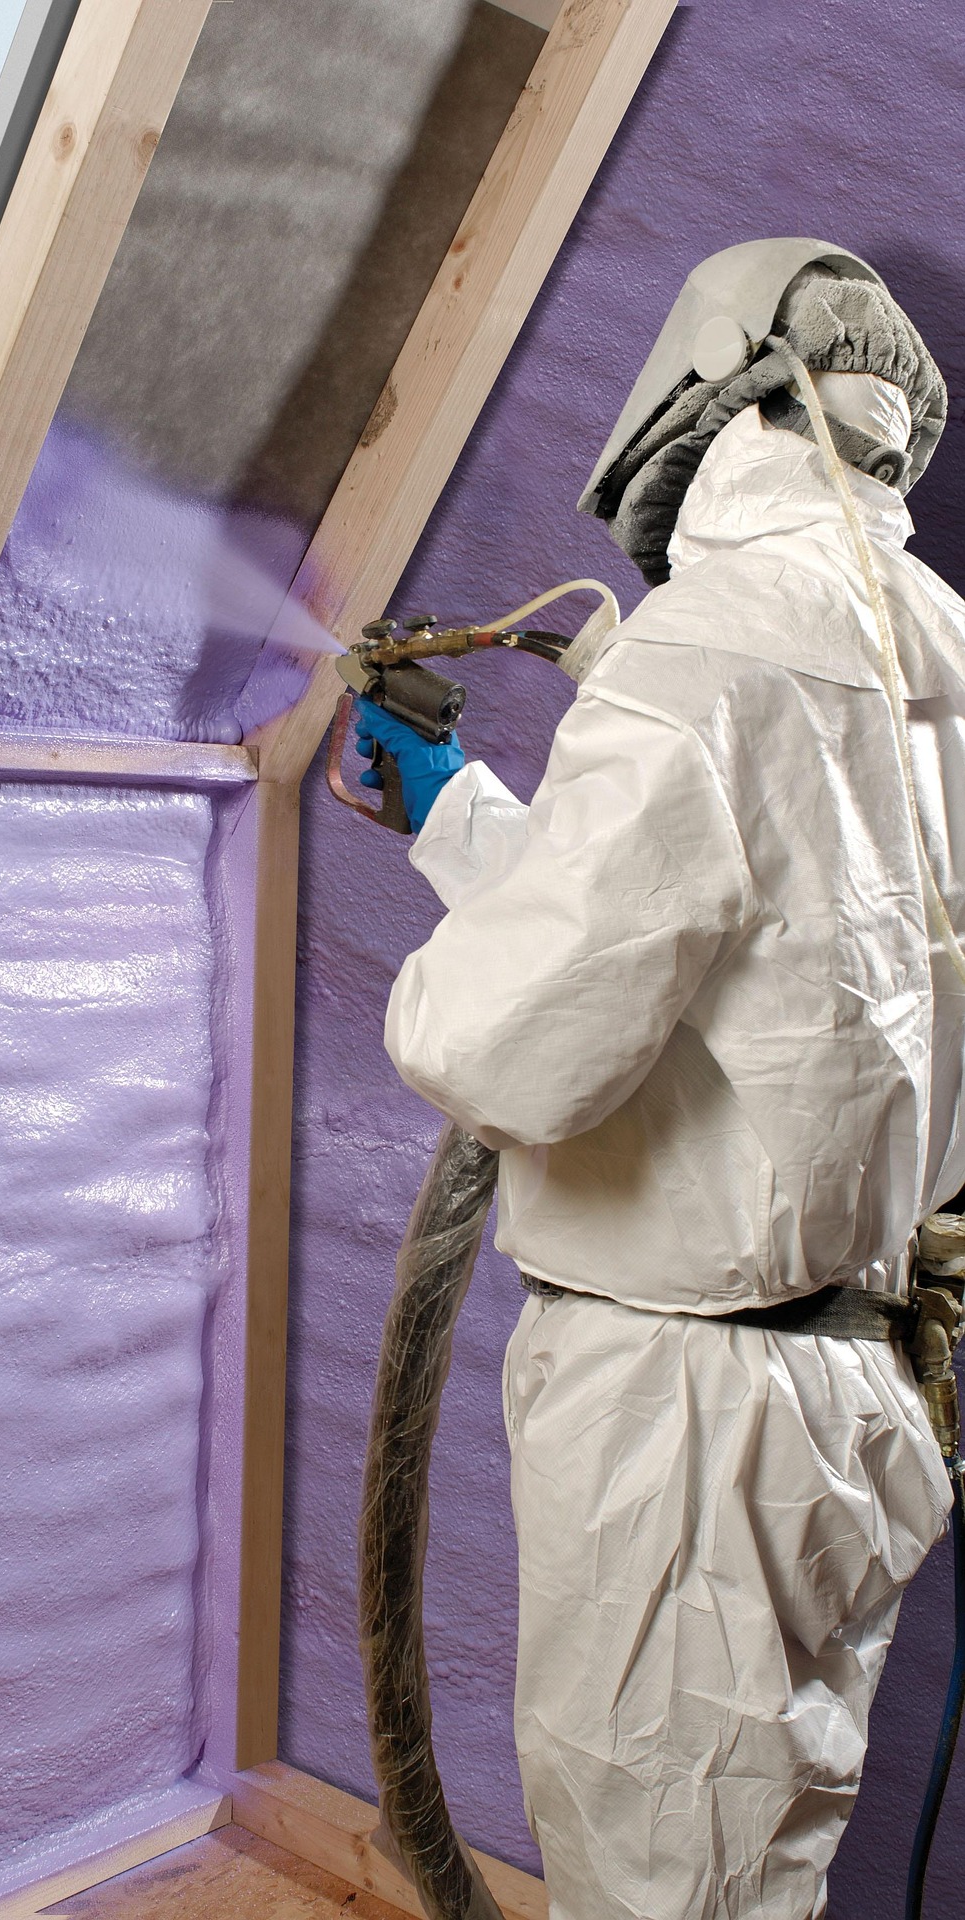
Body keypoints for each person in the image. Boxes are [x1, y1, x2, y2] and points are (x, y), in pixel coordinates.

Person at [359, 239, 964, 1920]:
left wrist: (448, 961)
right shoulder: (949, 657)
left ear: (711, 401)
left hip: (687, 1421)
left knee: (657, 1870)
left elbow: (510, 1042)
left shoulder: (706, 650)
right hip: (860, 1397)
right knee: (766, 1857)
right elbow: (749, 976)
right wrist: (457, 819)